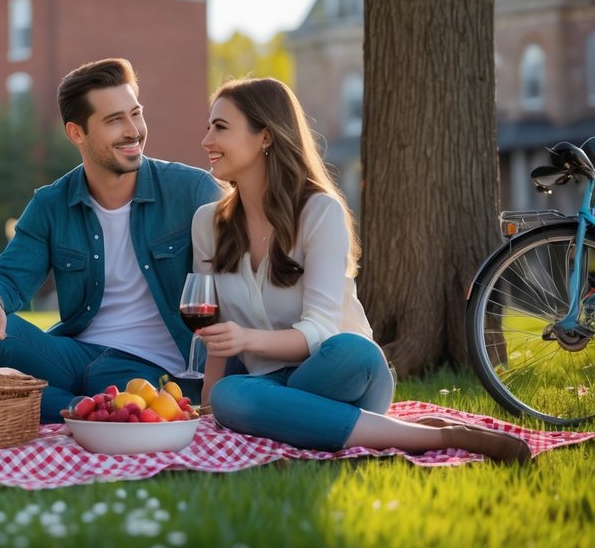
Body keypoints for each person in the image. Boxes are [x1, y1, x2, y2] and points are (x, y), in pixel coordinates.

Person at [193, 77, 531, 463]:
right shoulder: (208, 223)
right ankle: (427, 435)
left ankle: (308, 419)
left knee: (351, 349)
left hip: (343, 373)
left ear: (265, 136)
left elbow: (320, 330)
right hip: (267, 384)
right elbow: (212, 324)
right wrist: (208, 406)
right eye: (208, 127)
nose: (206, 141)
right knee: (229, 397)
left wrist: (246, 340)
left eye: (220, 128)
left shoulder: (319, 211)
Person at [0, 57, 221, 422]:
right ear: (77, 133)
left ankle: (37, 402)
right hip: (73, 355)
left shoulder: (192, 191)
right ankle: (74, 407)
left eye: (135, 114)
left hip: (153, 374)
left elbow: (235, 286)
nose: (133, 131)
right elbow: (9, 274)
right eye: (114, 120)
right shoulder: (52, 203)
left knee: (129, 406)